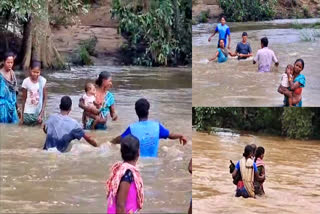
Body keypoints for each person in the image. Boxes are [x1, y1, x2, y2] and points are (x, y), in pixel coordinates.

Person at [111, 98, 187, 157]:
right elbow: (170, 135)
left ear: (136, 112)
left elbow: (120, 139)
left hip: (139, 163)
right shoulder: (157, 126)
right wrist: (181, 135)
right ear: (148, 111)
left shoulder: (132, 128)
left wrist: (111, 142)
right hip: (154, 163)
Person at [106, 134, 144, 214]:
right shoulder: (127, 174)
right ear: (138, 152)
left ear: (121, 152)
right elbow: (120, 205)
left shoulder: (120, 169)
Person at [20, 60, 47, 126]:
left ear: (40, 71)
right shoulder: (26, 82)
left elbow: (45, 98)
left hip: (38, 113)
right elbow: (23, 99)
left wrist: (42, 113)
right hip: (27, 113)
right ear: (30, 70)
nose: (35, 74)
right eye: (33, 72)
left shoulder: (42, 81)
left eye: (37, 72)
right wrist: (22, 116)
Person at [0, 52, 19, 123]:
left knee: (14, 125)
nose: (10, 64)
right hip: (2, 106)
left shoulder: (13, 73)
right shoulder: (0, 75)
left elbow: (15, 91)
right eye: (8, 62)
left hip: (12, 105)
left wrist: (17, 108)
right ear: (4, 62)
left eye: (12, 62)